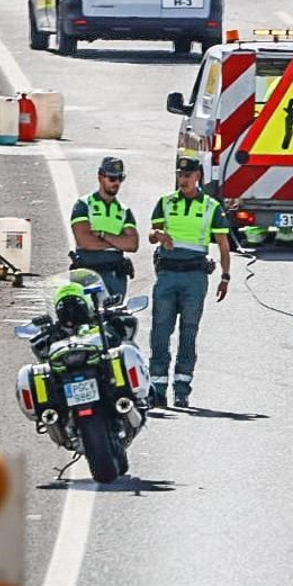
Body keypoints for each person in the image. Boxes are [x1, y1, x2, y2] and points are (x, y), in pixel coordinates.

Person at [147, 156, 232, 409]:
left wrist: (225, 276)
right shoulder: (165, 203)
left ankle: (182, 389)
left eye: (188, 175)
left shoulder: (211, 207)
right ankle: (157, 388)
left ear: (198, 177)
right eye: (180, 175)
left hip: (195, 277)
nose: (183, 180)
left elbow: (224, 245)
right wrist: (158, 235)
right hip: (167, 274)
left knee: (189, 332)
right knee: (160, 332)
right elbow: (152, 234)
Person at [69, 157, 139, 301]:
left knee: (115, 319)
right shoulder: (83, 205)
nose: (117, 183)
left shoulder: (124, 211)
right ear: (100, 177)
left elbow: (132, 244)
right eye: (112, 178)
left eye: (120, 178)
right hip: (88, 273)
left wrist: (102, 234)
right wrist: (118, 243)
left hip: (115, 276)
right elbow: (84, 241)